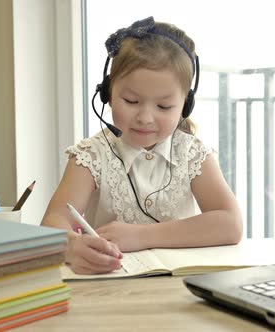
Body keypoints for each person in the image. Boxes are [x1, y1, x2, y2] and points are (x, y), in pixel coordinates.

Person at [42, 17, 242, 275]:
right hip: (109, 289)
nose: (145, 117)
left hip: (179, 290)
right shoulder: (91, 155)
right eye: (131, 100)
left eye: (163, 106)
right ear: (108, 94)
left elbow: (230, 224)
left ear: (185, 105)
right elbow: (52, 224)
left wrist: (143, 236)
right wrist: (71, 246)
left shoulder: (193, 155)